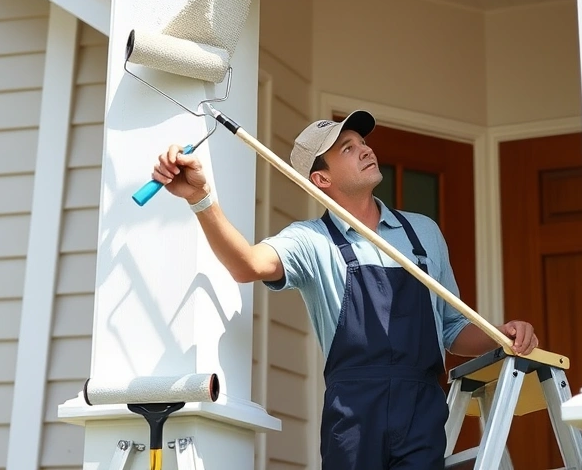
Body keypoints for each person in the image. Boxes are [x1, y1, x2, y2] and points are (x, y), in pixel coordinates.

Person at [151, 109, 539, 470]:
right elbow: (246, 265)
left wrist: (497, 336)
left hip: (422, 408)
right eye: (347, 148)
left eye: (363, 143)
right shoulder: (310, 240)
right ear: (322, 180)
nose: (366, 150)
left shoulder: (423, 234)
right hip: (354, 415)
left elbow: (453, 330)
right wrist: (201, 199)